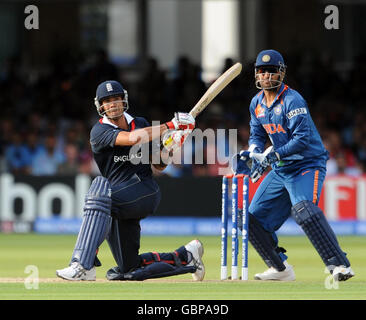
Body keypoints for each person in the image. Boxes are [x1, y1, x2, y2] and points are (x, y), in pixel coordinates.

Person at [56, 80, 205, 281]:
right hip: (117, 200)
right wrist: (171, 125)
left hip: (144, 190)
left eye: (116, 98)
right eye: (107, 101)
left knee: (99, 191)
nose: (113, 104)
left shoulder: (141, 123)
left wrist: (172, 146)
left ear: (123, 99)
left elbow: (159, 165)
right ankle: (187, 256)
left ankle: (82, 264)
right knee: (128, 269)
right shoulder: (99, 131)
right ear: (100, 105)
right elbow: (132, 138)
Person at [232, 49, 354, 281]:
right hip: (281, 169)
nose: (266, 76)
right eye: (262, 71)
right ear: (256, 74)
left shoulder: (292, 100)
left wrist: (272, 156)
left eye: (271, 71)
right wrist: (255, 153)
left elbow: (301, 140)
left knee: (304, 211)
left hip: (306, 165)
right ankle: (280, 269)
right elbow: (257, 135)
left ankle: (340, 265)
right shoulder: (256, 103)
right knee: (248, 220)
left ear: (281, 73)